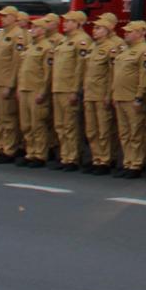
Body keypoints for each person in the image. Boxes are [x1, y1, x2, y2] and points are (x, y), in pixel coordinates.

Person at [110, 19, 146, 179]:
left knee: (136, 132)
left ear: (140, 33)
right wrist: (114, 94)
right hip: (120, 97)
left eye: (130, 32)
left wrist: (139, 97)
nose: (126, 34)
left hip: (132, 98)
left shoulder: (144, 50)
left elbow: (144, 76)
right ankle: (127, 161)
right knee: (124, 133)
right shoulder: (124, 51)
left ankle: (136, 164)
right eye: (126, 31)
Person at [82, 13, 124, 175]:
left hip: (101, 93)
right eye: (94, 28)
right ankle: (96, 157)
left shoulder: (112, 47)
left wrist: (109, 94)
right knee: (92, 129)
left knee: (104, 128)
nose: (95, 31)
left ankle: (105, 159)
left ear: (107, 30)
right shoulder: (93, 47)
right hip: (90, 93)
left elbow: (112, 74)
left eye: (98, 28)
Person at [15, 14, 58, 168]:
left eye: (36, 27)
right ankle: (30, 151)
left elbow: (47, 73)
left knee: (37, 124)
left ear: (43, 30)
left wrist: (43, 92)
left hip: (36, 90)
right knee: (26, 124)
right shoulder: (29, 47)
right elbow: (22, 70)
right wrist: (19, 88)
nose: (32, 30)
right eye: (32, 27)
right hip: (25, 89)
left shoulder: (47, 47)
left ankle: (40, 154)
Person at [49, 11, 89, 171]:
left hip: (68, 88)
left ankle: (72, 157)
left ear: (78, 23)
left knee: (70, 125)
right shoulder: (64, 41)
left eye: (69, 21)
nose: (64, 24)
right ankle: (64, 155)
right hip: (58, 87)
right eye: (64, 21)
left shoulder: (82, 41)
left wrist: (75, 90)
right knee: (60, 125)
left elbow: (80, 68)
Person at [0, 7, 25, 163]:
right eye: (1, 16)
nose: (1, 19)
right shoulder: (0, 35)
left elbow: (17, 62)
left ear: (13, 18)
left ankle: (9, 149)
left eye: (5, 16)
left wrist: (11, 85)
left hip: (5, 82)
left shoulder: (18, 35)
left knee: (7, 117)